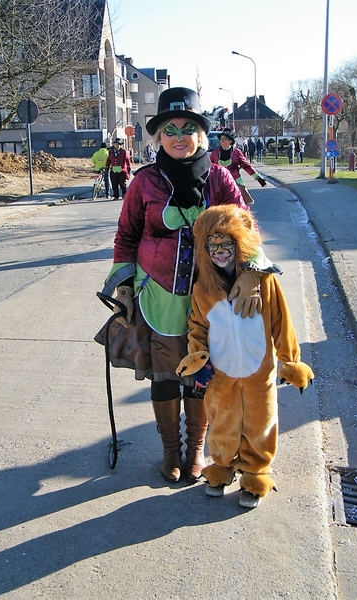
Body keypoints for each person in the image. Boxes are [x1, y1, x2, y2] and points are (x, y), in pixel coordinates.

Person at [95, 87, 277, 486]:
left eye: (188, 128)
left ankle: (196, 449)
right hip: (157, 297)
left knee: (201, 373)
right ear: (159, 137)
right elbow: (125, 237)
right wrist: (123, 288)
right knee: (164, 376)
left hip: (210, 300)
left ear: (201, 134)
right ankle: (170, 451)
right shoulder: (143, 183)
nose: (179, 136)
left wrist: (250, 272)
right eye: (170, 129)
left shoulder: (220, 178)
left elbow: (245, 228)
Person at [176, 204, 314, 508]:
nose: (220, 252)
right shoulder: (202, 289)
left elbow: (282, 321)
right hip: (221, 374)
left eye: (227, 244)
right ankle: (222, 466)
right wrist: (197, 358)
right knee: (222, 423)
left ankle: (255, 472)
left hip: (258, 372)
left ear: (239, 244)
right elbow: (197, 327)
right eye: (213, 246)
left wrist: (290, 360)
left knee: (259, 423)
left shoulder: (264, 281)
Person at [210, 128, 267, 207]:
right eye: (221, 139)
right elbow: (210, 168)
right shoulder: (215, 153)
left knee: (239, 203)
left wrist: (258, 177)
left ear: (230, 141)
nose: (222, 141)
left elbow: (246, 166)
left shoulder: (237, 152)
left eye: (225, 139)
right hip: (219, 182)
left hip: (235, 180)